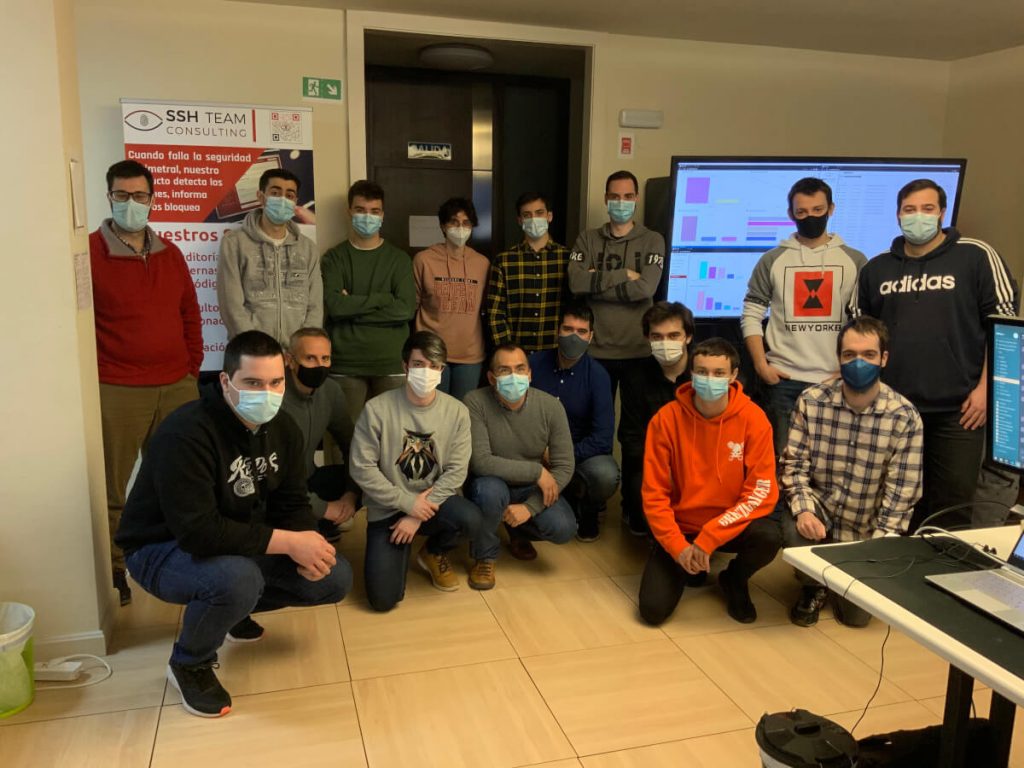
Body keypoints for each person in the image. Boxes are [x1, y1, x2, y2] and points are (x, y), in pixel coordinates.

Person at [115, 331, 352, 718]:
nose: (266, 393)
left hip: (234, 541)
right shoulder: (186, 433)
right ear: (226, 382)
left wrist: (306, 541)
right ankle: (189, 662)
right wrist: (289, 544)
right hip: (160, 549)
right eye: (253, 383)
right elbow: (199, 532)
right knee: (238, 580)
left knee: (333, 576)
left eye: (275, 382)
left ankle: (230, 609)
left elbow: (292, 502)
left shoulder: (283, 429)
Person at [855, 178, 1017, 530]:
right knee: (894, 502)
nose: (918, 216)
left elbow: (1005, 329)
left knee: (952, 507)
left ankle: (945, 562)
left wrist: (986, 390)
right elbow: (859, 334)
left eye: (927, 209)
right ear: (898, 215)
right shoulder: (876, 269)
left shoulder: (976, 256)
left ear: (942, 213)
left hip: (959, 411)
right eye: (910, 209)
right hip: (893, 409)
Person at [90, 159, 203, 605]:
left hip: (176, 384)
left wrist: (191, 368)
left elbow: (189, 313)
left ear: (152, 199)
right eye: (122, 195)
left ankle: (181, 560)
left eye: (139, 195)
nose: (131, 203)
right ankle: (116, 571)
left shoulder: (170, 253)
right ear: (109, 197)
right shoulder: (88, 253)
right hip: (116, 388)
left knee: (181, 480)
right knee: (113, 488)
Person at [781, 317, 923, 627]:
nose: (859, 362)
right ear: (839, 358)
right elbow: (794, 467)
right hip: (820, 517)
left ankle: (844, 576)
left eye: (869, 355)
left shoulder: (904, 417)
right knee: (792, 526)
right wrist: (804, 511)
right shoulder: (811, 401)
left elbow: (902, 493)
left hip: (864, 528)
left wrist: (878, 547)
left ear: (883, 359)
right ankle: (812, 585)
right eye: (849, 355)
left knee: (856, 620)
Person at [640, 338, 780, 626]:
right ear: (691, 373)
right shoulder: (665, 420)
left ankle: (734, 579)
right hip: (682, 527)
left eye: (718, 373)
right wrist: (678, 547)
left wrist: (710, 538)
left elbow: (760, 492)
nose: (709, 379)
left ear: (733, 375)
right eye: (702, 372)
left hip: (727, 526)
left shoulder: (754, 420)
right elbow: (654, 495)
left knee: (769, 536)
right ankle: (689, 564)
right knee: (652, 611)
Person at [349, 331, 483, 608]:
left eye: (434, 366)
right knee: (383, 600)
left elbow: (457, 471)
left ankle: (432, 551)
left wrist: (416, 515)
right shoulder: (376, 409)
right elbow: (361, 468)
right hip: (388, 506)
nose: (427, 372)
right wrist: (407, 503)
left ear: (442, 370)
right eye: (419, 364)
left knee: (471, 519)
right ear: (405, 366)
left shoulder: (457, 411)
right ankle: (397, 548)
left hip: (432, 504)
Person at [741, 177, 867, 457]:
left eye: (817, 210)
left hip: (836, 382)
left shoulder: (855, 261)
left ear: (831, 209)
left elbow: (864, 325)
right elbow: (751, 313)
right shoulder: (772, 260)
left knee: (833, 463)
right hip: (783, 382)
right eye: (802, 212)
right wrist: (761, 365)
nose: (810, 217)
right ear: (791, 214)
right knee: (782, 463)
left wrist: (850, 369)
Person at [465, 345, 576, 575]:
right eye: (504, 370)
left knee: (564, 527)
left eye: (520, 368)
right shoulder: (475, 402)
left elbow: (565, 466)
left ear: (530, 374)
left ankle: (517, 530)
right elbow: (481, 462)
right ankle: (485, 555)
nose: (513, 376)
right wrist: (537, 471)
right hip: (490, 482)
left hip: (529, 488)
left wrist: (529, 507)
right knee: (490, 492)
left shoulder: (551, 407)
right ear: (491, 378)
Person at [321, 180, 415, 424]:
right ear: (349, 211)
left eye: (374, 211)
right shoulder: (334, 258)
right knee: (346, 438)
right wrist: (384, 299)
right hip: (345, 364)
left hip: (391, 363)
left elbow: (405, 309)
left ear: (382, 215)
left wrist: (352, 305)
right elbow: (335, 307)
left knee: (392, 436)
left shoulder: (399, 260)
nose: (367, 216)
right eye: (360, 210)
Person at [567, 170, 665, 398]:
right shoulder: (587, 239)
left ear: (636, 198)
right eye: (615, 196)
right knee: (597, 417)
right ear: (606, 199)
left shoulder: (653, 240)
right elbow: (576, 283)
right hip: (595, 350)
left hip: (638, 351)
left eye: (628, 196)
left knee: (634, 421)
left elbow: (646, 289)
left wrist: (595, 284)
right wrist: (624, 274)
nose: (621, 203)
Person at [529, 303, 618, 542]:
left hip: (578, 453)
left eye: (581, 331)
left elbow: (602, 438)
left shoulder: (598, 376)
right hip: (534, 452)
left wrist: (562, 456)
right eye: (568, 329)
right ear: (557, 330)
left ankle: (588, 509)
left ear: (590, 337)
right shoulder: (533, 364)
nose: (573, 337)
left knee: (605, 473)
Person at [216, 168, 322, 344]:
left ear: (295, 202)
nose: (282, 199)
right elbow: (231, 306)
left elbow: (315, 306)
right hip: (252, 350)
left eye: (289, 195)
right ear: (261, 196)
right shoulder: (234, 243)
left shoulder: (307, 248)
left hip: (296, 353)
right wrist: (259, 348)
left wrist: (303, 346)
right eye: (275, 193)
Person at [618, 301, 695, 536]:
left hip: (696, 463)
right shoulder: (634, 377)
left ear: (688, 337)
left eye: (673, 335)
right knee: (643, 518)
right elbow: (631, 439)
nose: (665, 343)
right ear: (647, 338)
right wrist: (665, 468)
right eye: (657, 336)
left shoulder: (704, 373)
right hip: (652, 464)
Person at [280, 327, 360, 544]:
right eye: (310, 358)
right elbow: (275, 477)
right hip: (279, 491)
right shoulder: (274, 397)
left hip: (309, 479)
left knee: (367, 472)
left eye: (325, 358)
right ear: (290, 360)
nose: (319, 365)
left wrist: (351, 494)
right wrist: (323, 508)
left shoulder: (331, 390)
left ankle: (321, 526)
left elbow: (351, 444)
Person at [412, 197, 489, 400]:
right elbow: (412, 305)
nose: (460, 228)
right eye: (454, 222)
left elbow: (485, 309)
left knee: (462, 411)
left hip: (470, 355)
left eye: (466, 223)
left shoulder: (482, 263)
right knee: (434, 409)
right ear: (443, 226)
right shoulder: (424, 260)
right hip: (432, 353)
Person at [485, 192, 571, 353]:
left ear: (549, 216)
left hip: (556, 354)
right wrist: (508, 353)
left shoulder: (567, 258)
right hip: (516, 355)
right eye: (527, 215)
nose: (534, 219)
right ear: (519, 220)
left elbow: (574, 311)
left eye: (539, 213)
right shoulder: (504, 261)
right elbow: (495, 314)